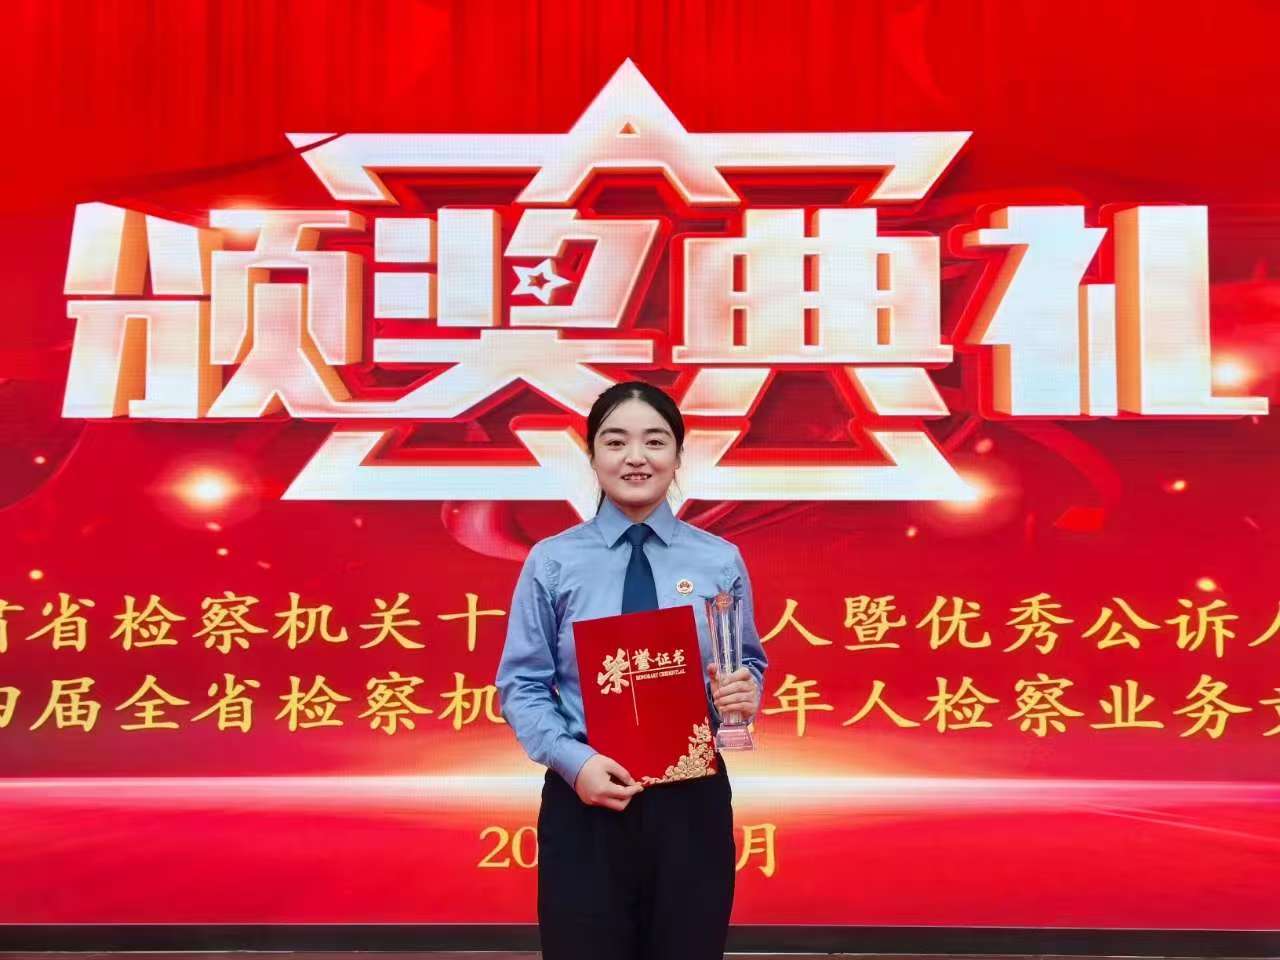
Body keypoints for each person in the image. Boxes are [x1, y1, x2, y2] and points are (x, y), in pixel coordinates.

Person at [495, 380, 767, 960]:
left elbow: (746, 661)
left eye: (655, 441)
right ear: (591, 454)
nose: (636, 458)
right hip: (584, 800)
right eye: (616, 441)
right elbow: (521, 684)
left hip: (692, 801)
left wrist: (744, 694)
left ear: (678, 455)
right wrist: (577, 764)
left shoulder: (719, 560)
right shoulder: (553, 561)